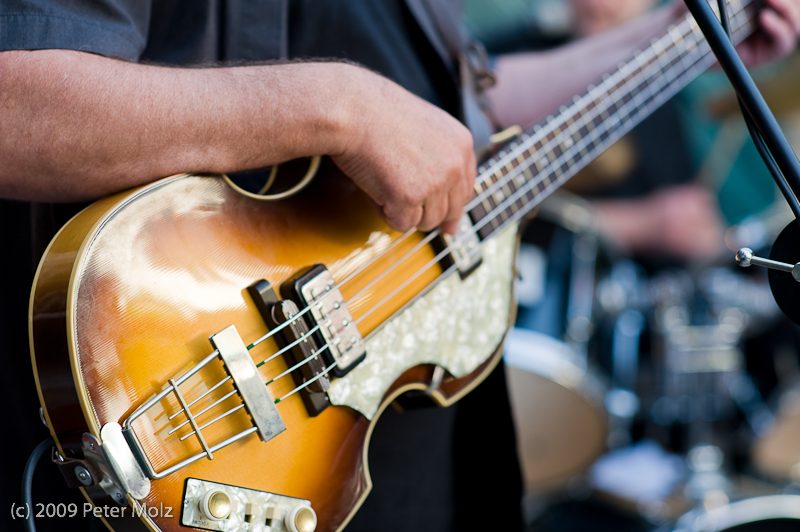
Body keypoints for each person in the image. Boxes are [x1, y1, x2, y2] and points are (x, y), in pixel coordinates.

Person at [2, 1, 799, 531]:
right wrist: (337, 106)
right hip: (185, 405)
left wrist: (690, 38)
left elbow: (463, 121)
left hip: (374, 459)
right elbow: (16, 103)